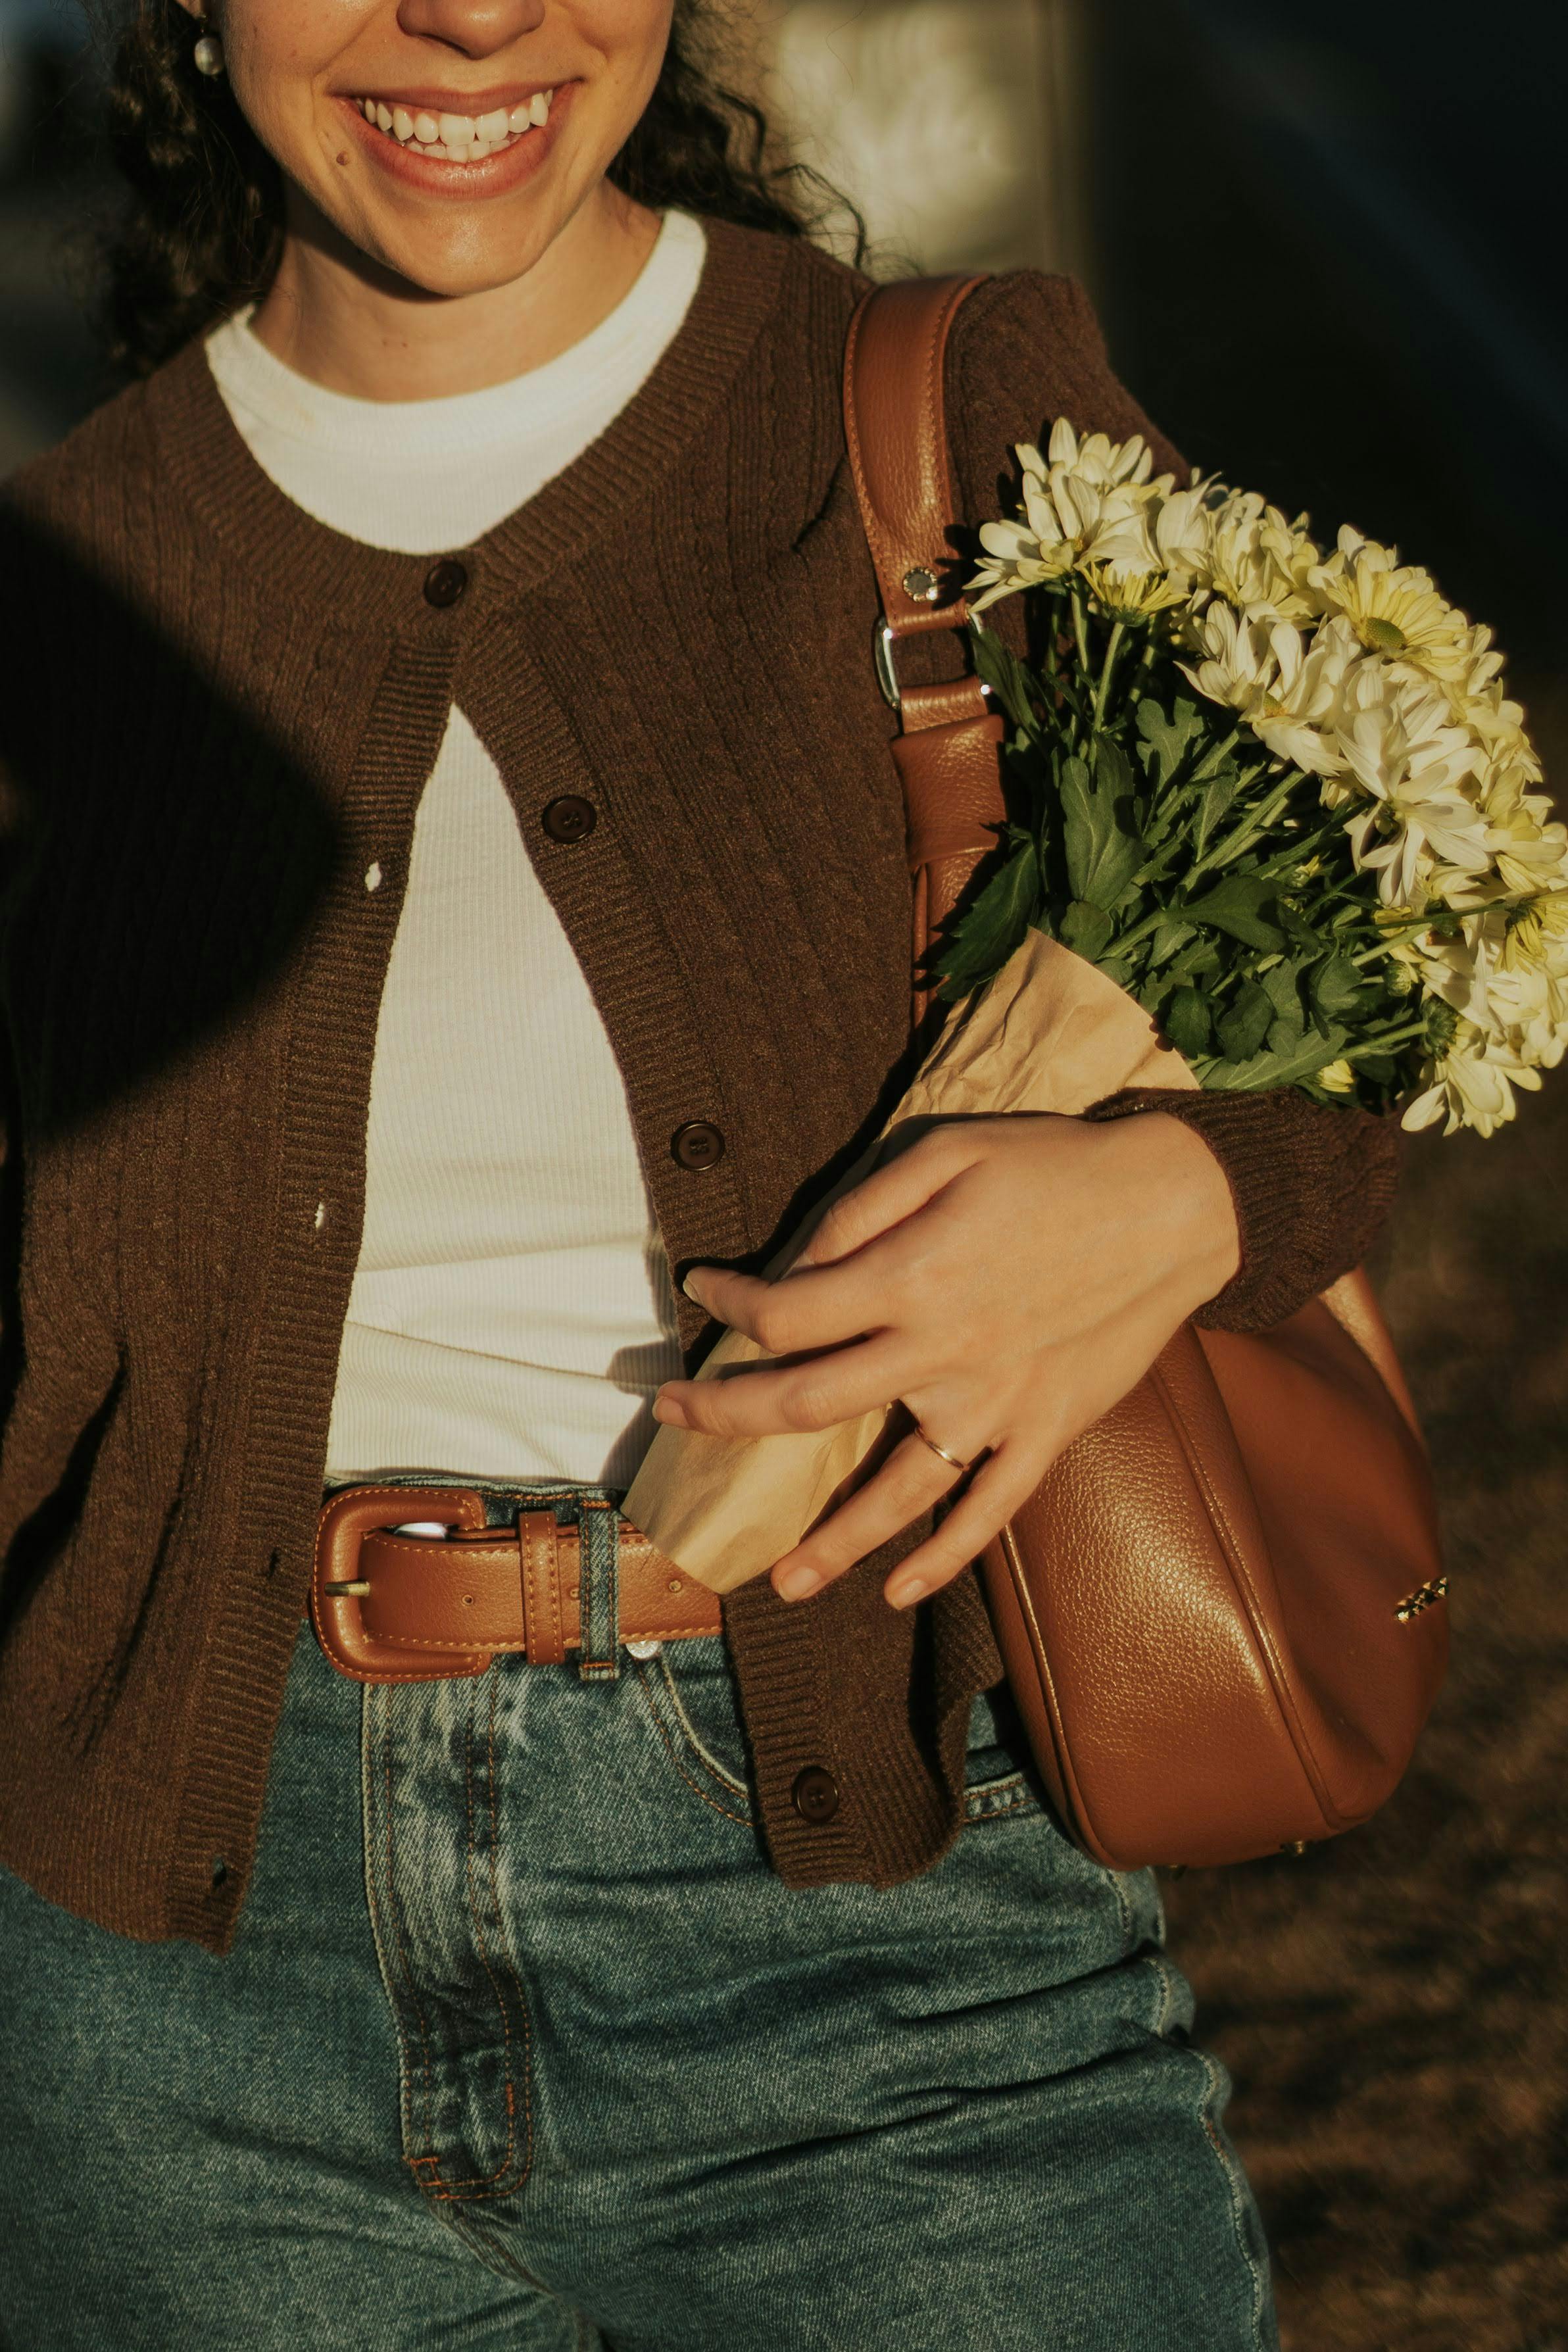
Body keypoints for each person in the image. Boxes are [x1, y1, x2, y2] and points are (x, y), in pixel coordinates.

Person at [0, 2, 1398, 2344]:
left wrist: (1177, 1202)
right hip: (158, 2033)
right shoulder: (70, 565)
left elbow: (1400, 936)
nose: (470, 15)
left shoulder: (939, 417)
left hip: (878, 1944)